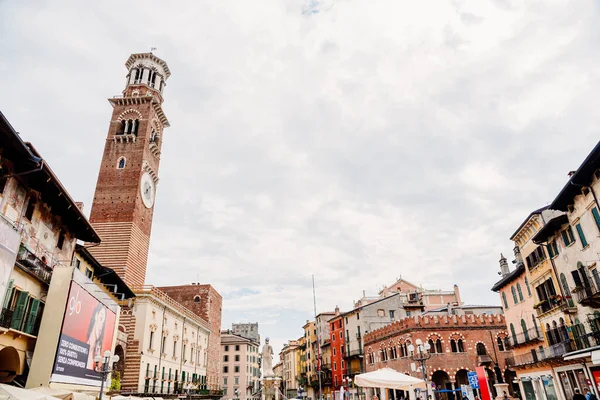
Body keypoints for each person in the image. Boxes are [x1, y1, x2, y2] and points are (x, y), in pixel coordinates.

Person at [86, 303, 107, 370]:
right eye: (101, 318)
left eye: (103, 323)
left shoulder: (97, 353)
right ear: (96, 315)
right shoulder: (84, 344)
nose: (101, 326)